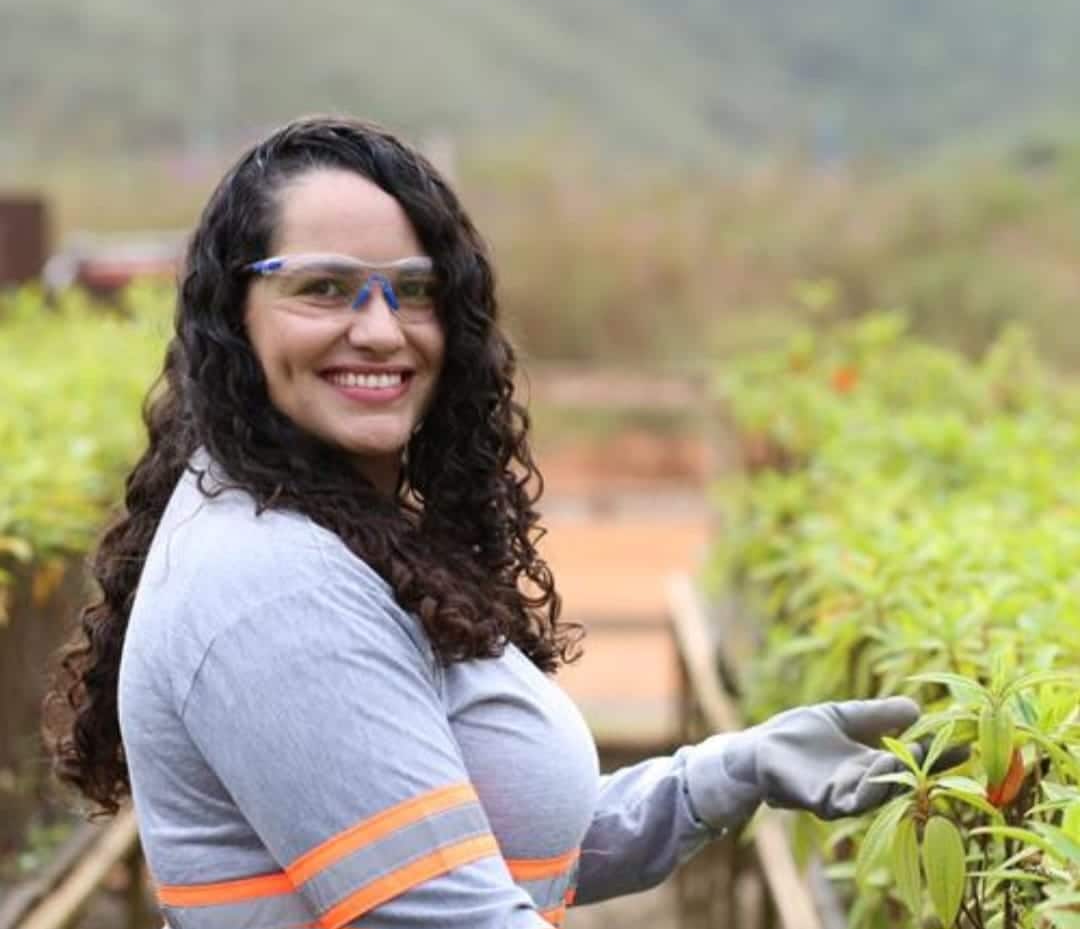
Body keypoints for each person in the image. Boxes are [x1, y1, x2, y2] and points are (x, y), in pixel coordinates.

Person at [46, 116, 946, 929]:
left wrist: (724, 772)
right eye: (324, 288)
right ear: (232, 320)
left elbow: (486, 846)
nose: (380, 329)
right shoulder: (269, 587)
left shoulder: (332, 530)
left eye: (414, 289)